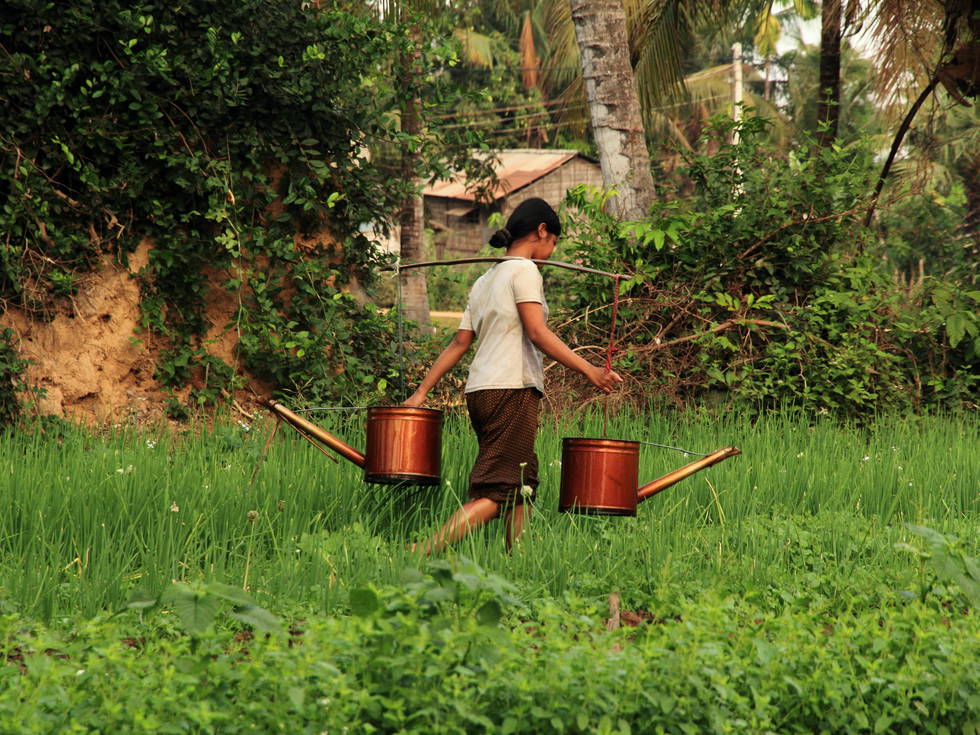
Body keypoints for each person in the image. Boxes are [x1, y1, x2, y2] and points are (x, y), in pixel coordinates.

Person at [402, 198, 623, 554]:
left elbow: (459, 343)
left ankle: (515, 558)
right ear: (541, 231)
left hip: (480, 392)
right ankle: (423, 550)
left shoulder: (485, 279)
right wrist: (590, 371)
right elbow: (537, 332)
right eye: (554, 242)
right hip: (511, 389)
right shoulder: (524, 271)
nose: (552, 251)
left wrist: (422, 391)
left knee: (523, 481)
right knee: (501, 489)